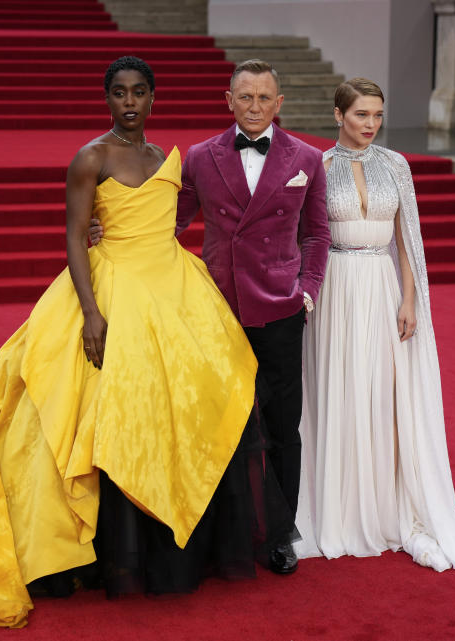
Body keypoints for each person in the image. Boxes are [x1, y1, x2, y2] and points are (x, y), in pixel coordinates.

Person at [0, 57, 290, 628]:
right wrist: (90, 313)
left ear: (153, 98)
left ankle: (192, 538)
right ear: (107, 98)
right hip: (114, 292)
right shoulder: (91, 157)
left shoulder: (166, 160)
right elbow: (73, 235)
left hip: (176, 291)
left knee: (196, 397)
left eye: (138, 93)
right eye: (118, 93)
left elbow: (176, 217)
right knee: (113, 411)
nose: (129, 102)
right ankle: (105, 549)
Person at [294, 78, 455, 570]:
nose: (370, 125)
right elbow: (303, 237)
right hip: (333, 290)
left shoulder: (396, 165)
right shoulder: (316, 166)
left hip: (381, 285)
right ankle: (336, 506)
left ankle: (384, 502)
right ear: (337, 115)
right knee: (337, 390)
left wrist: (410, 300)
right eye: (360, 115)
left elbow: (408, 240)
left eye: (377, 115)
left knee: (380, 393)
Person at [174, 59, 332, 575]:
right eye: (246, 97)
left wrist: (307, 290)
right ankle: (221, 530)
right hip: (217, 310)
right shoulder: (200, 157)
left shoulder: (307, 156)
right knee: (218, 423)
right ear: (228, 100)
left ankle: (281, 534)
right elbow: (171, 224)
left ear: (280, 103)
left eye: (265, 98)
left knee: (283, 426)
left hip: (281, 310)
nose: (256, 107)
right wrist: (119, 241)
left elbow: (317, 235)